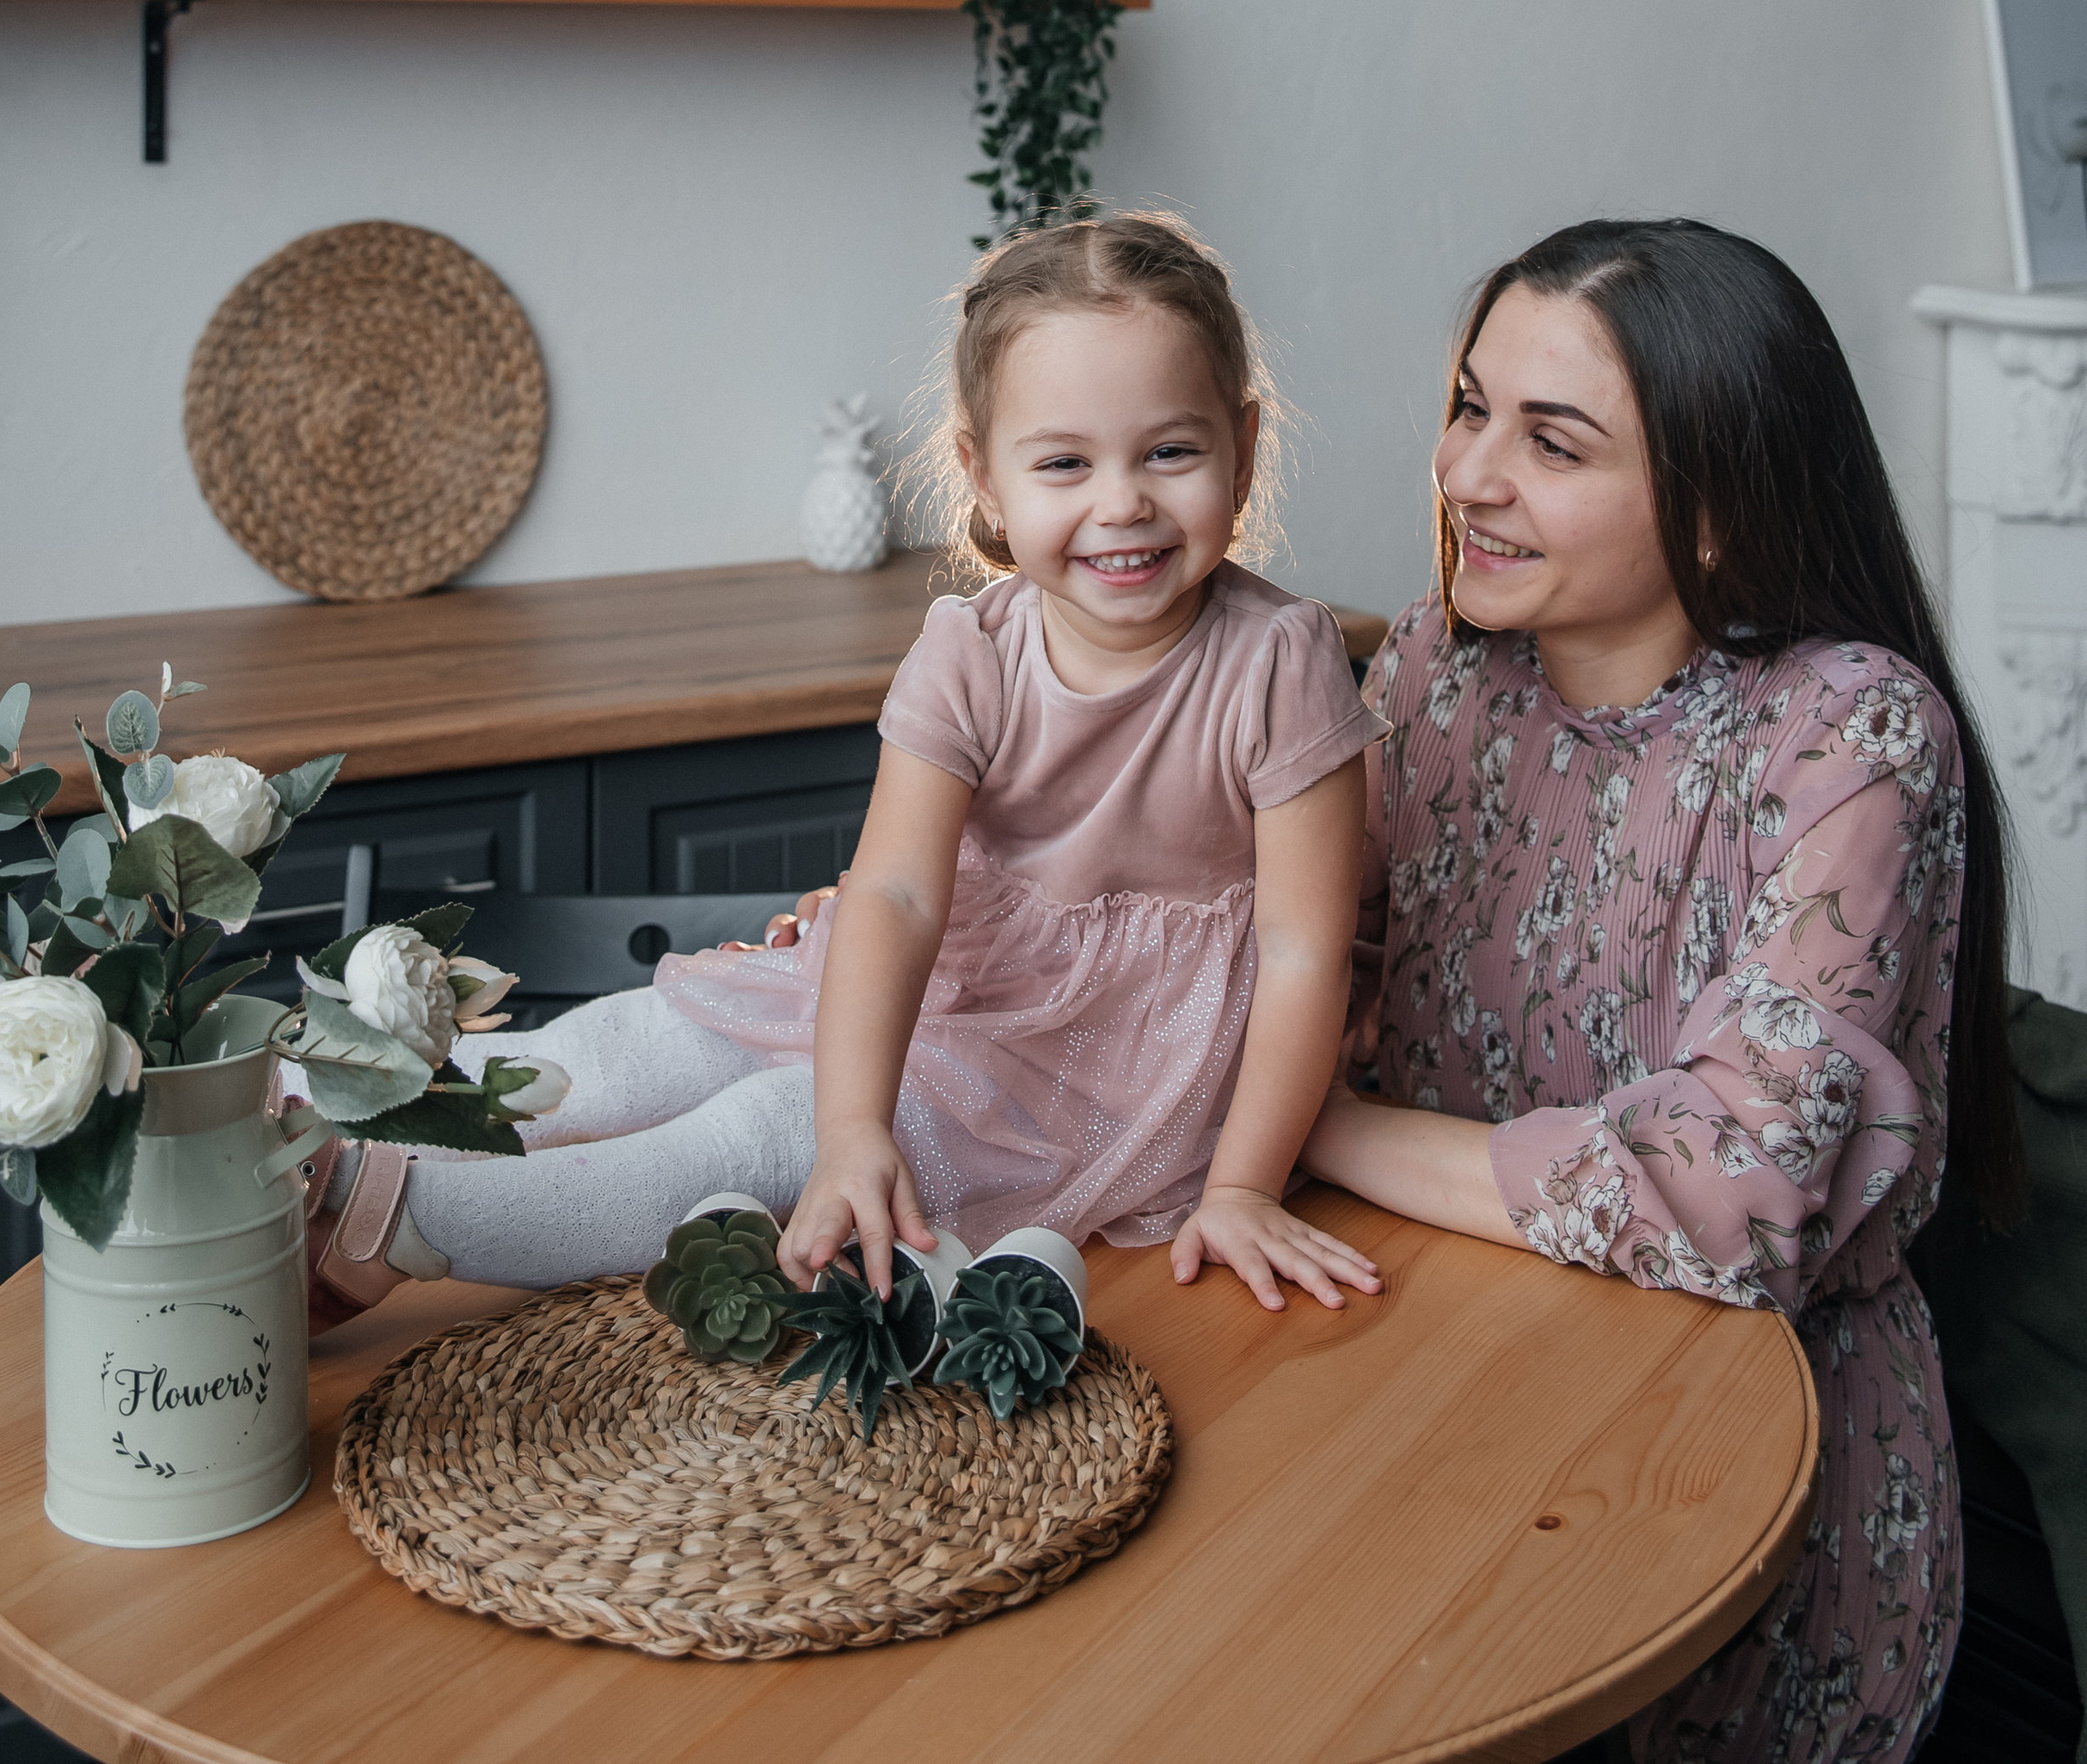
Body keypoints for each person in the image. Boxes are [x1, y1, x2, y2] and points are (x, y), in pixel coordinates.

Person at [308, 212, 1386, 1321]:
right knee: (640, 1044)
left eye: (1171, 451)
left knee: (770, 1131)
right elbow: (898, 894)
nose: (1123, 502)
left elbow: (1303, 948)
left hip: (1093, 1069)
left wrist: (1246, 1184)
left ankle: (403, 1223)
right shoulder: (970, 651)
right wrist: (855, 1119)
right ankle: (293, 1106)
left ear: (1244, 450)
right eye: (1064, 462)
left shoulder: (1282, 662)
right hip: (933, 983)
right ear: (984, 477)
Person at [1299, 219, 2023, 1764]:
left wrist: (1329, 1129)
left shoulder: (1851, 732)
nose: (1466, 472)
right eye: (1472, 405)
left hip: (1745, 1485)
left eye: (1549, 441)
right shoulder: (1436, 666)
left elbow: (1734, 1187)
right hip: (1452, 1377)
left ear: (1713, 506)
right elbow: (1295, 962)